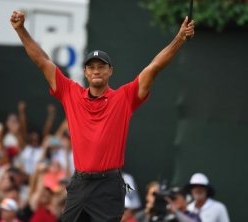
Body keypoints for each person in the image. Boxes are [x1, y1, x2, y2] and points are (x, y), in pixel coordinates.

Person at [10, 10, 195, 221]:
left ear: (110, 71)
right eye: (91, 67)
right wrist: (21, 29)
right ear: (86, 72)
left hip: (108, 185)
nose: (96, 71)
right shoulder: (71, 93)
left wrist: (179, 38)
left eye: (101, 67)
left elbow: (154, 67)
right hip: (79, 184)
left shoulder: (124, 97)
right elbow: (42, 60)